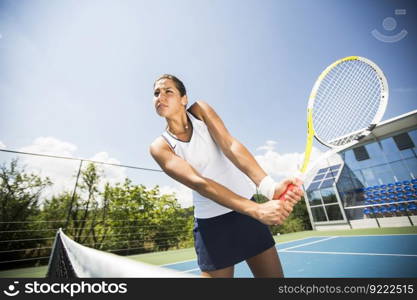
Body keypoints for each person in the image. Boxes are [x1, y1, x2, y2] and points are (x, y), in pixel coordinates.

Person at [149, 74, 303, 278]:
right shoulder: (160, 147)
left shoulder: (200, 110)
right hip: (212, 226)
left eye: (168, 91)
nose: (161, 96)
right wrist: (256, 210)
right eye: (156, 93)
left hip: (247, 215)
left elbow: (230, 145)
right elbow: (200, 183)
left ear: (183, 99)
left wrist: (269, 187)